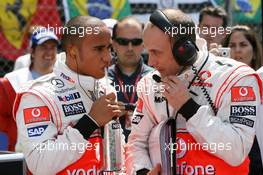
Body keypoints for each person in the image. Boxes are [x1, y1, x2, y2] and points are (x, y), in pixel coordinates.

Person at [125, 9, 263, 175]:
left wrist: (188, 107)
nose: (151, 62)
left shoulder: (237, 77)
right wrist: (143, 171)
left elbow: (236, 150)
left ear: (184, 49)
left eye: (156, 52)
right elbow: (136, 142)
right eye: (148, 52)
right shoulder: (149, 83)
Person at [14, 16, 123, 175]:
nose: (108, 58)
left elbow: (116, 155)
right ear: (73, 51)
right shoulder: (38, 95)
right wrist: (90, 122)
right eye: (99, 49)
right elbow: (39, 164)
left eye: (109, 48)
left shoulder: (106, 88)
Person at [0, 28, 59, 151]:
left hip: (56, 151)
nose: (49, 52)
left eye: (52, 47)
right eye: (44, 47)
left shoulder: (65, 80)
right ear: (32, 51)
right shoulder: (12, 82)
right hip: (22, 151)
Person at [223, 25, 263, 175]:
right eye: (232, 46)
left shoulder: (262, 79)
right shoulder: (217, 86)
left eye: (243, 45)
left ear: (254, 52)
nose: (237, 50)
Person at [108, 16, 153, 142]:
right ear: (114, 44)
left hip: (148, 153)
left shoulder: (156, 78)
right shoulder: (101, 80)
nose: (130, 48)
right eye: (123, 42)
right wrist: (106, 115)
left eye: (136, 42)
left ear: (144, 44)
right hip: (113, 153)